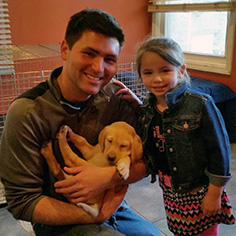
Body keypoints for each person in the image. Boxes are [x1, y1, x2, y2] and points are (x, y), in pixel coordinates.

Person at [0, 9, 161, 236]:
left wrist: (106, 178)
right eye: (89, 53)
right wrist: (96, 215)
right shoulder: (27, 112)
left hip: (112, 205)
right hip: (60, 217)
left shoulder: (116, 97)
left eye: (109, 59)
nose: (98, 68)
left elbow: (152, 159)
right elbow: (21, 201)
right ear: (65, 49)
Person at [116, 37, 235, 236]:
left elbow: (220, 153)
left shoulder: (200, 104)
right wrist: (136, 103)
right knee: (180, 231)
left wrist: (214, 194)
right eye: (148, 72)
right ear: (140, 75)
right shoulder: (149, 107)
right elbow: (150, 122)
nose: (157, 79)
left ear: (180, 71)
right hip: (171, 190)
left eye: (165, 70)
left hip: (200, 190)